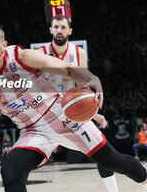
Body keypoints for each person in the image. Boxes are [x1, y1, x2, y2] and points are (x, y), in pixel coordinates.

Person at [0, 22, 147, 192]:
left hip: (64, 116)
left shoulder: (22, 56)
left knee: (112, 160)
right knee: (10, 171)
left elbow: (67, 69)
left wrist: (92, 78)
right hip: (32, 130)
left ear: (4, 45)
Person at [38, 14, 118, 192]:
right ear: (50, 30)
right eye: (56, 27)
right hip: (45, 116)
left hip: (70, 111)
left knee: (104, 155)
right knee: (21, 162)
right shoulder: (39, 54)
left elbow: (82, 88)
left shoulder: (78, 53)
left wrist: (93, 113)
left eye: (63, 27)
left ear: (70, 31)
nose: (59, 30)